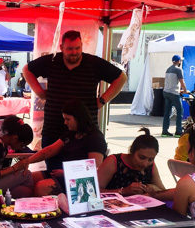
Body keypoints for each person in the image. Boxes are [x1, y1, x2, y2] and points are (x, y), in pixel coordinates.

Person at [22, 30, 127, 169]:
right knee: (54, 173)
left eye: (78, 48)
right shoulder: (52, 61)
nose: (74, 52)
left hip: (84, 131)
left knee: (82, 174)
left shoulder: (93, 63)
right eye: (70, 49)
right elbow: (26, 70)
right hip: (54, 127)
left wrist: (102, 100)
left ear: (82, 46)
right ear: (61, 48)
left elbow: (121, 77)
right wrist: (40, 93)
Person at [12, 100, 107, 196]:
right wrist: (27, 161)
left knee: (41, 187)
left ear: (78, 118)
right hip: (61, 173)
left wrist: (66, 173)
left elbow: (94, 169)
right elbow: (49, 151)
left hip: (79, 181)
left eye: (68, 119)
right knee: (26, 178)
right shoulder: (72, 133)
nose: (65, 123)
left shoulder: (95, 138)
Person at [97, 128, 166, 196]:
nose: (145, 164)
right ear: (132, 151)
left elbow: (164, 191)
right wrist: (124, 191)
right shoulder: (113, 161)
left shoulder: (151, 166)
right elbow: (94, 191)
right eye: (141, 158)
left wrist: (155, 189)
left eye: (150, 159)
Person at [162, 54, 188, 137]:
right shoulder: (178, 70)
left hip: (166, 92)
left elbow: (169, 82)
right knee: (180, 111)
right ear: (178, 61)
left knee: (167, 112)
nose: (180, 62)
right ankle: (178, 131)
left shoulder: (168, 69)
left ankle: (165, 131)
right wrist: (185, 90)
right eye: (180, 60)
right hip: (174, 93)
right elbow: (181, 81)